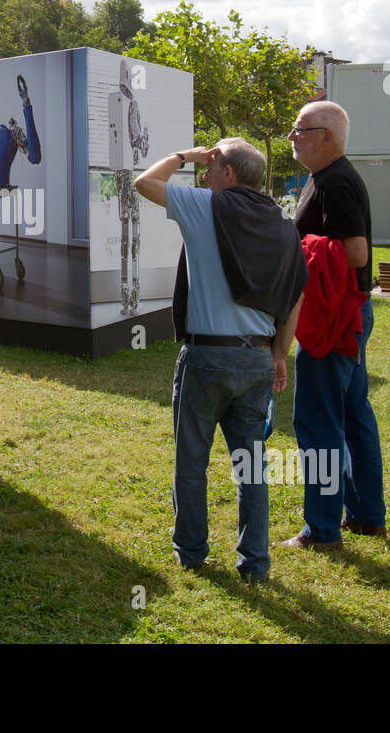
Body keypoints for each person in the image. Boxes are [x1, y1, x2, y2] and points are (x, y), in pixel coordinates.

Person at [136, 138, 306, 583]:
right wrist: (280, 356)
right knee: (252, 468)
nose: (206, 174)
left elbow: (143, 182)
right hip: (258, 358)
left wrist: (182, 157)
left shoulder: (204, 206)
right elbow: (296, 295)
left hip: (207, 356)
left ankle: (191, 552)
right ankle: (255, 562)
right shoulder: (283, 225)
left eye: (211, 166)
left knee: (192, 460)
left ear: (227, 172)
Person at [276, 100, 386, 551]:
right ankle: (364, 516)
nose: (292, 137)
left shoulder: (336, 181)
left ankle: (322, 529)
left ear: (327, 136)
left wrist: (301, 246)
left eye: (299, 129)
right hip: (347, 313)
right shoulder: (326, 178)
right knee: (354, 414)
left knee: (320, 422)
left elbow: (356, 253)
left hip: (334, 316)